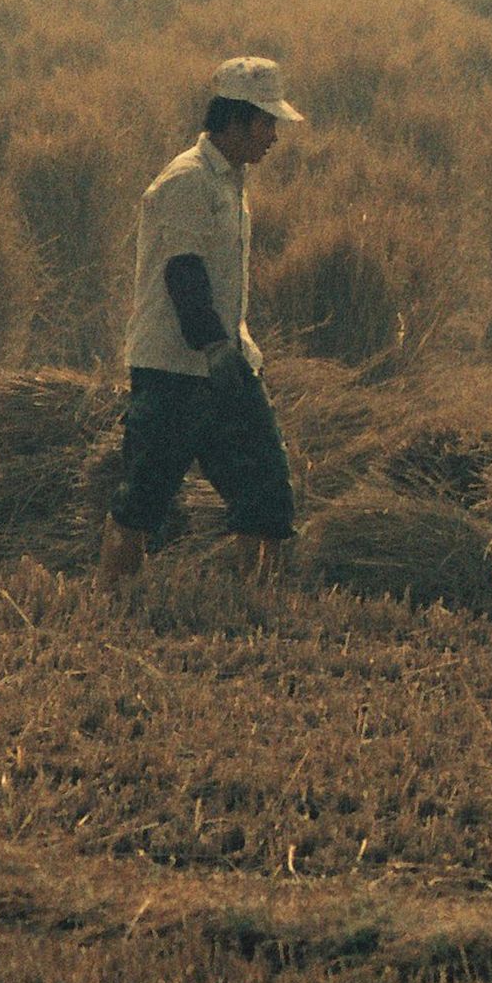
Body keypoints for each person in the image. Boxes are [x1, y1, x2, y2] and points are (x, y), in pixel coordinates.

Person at [96, 55, 307, 588]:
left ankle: (256, 604)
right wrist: (213, 345)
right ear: (236, 120)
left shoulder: (230, 182)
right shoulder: (187, 181)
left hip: (229, 364)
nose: (274, 137)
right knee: (143, 500)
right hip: (173, 370)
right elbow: (183, 271)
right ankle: (109, 600)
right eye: (267, 123)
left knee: (267, 496)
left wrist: (230, 353)